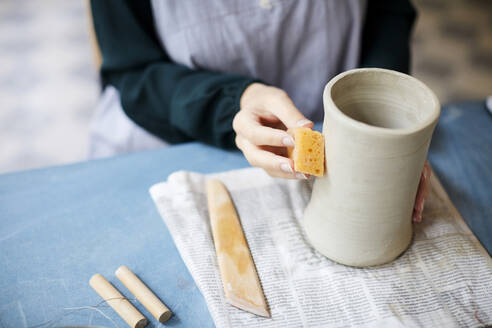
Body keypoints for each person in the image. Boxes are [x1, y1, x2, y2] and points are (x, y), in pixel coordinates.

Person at [90, 0, 426, 220]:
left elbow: (389, 13)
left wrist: (379, 119)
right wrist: (234, 101)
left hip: (335, 134)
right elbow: (132, 71)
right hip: (168, 134)